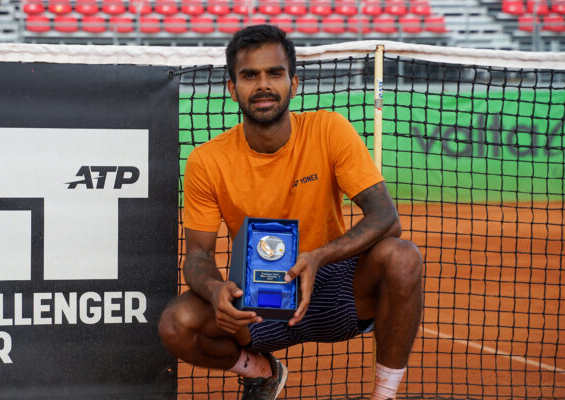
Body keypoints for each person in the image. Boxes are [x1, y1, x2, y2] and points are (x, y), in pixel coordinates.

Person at [158, 24, 423, 400]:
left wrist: (318, 257)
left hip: (334, 286)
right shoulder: (207, 160)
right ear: (233, 88)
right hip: (256, 301)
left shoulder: (329, 129)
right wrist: (216, 289)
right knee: (176, 324)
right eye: (249, 75)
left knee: (403, 257)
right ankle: (262, 372)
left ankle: (384, 396)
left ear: (293, 83)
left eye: (274, 73)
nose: (263, 85)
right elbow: (199, 255)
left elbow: (386, 218)